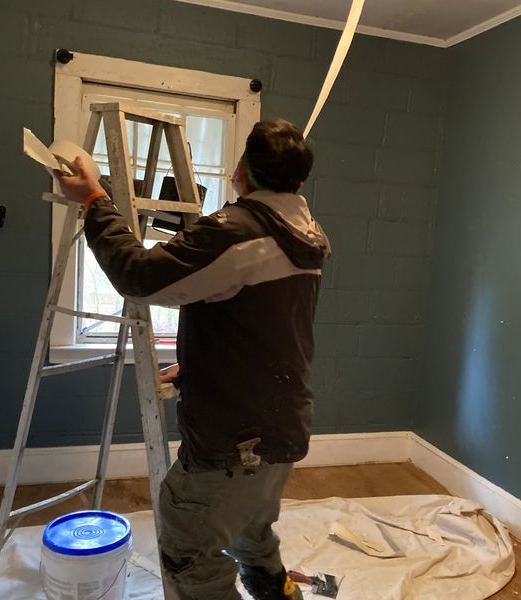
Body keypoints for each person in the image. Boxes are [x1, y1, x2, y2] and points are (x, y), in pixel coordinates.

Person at [56, 118, 331, 600]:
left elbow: (139, 276)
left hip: (234, 440)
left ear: (242, 169)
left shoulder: (233, 233)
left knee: (191, 549)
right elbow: (263, 324)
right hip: (283, 424)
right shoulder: (306, 234)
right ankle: (275, 592)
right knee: (252, 527)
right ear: (300, 181)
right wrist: (200, 367)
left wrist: (96, 201)